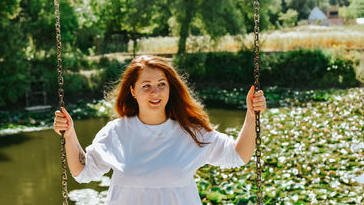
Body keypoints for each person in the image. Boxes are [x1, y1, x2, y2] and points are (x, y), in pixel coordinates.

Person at [53, 55, 267, 205]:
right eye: (146, 86)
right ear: (133, 91)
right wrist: (70, 135)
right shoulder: (116, 132)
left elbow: (239, 155)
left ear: (170, 88)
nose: (155, 92)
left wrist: (251, 115)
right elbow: (83, 171)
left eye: (161, 84)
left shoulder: (190, 131)